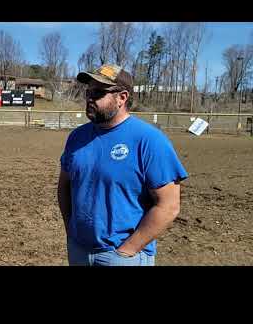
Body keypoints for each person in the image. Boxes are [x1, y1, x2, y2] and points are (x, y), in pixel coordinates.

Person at [57, 64, 188, 266]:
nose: (90, 98)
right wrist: (71, 231)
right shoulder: (77, 137)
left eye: (98, 93)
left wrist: (128, 250)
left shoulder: (149, 140)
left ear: (122, 97)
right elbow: (64, 187)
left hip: (122, 256)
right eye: (88, 92)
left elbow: (169, 205)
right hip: (79, 250)